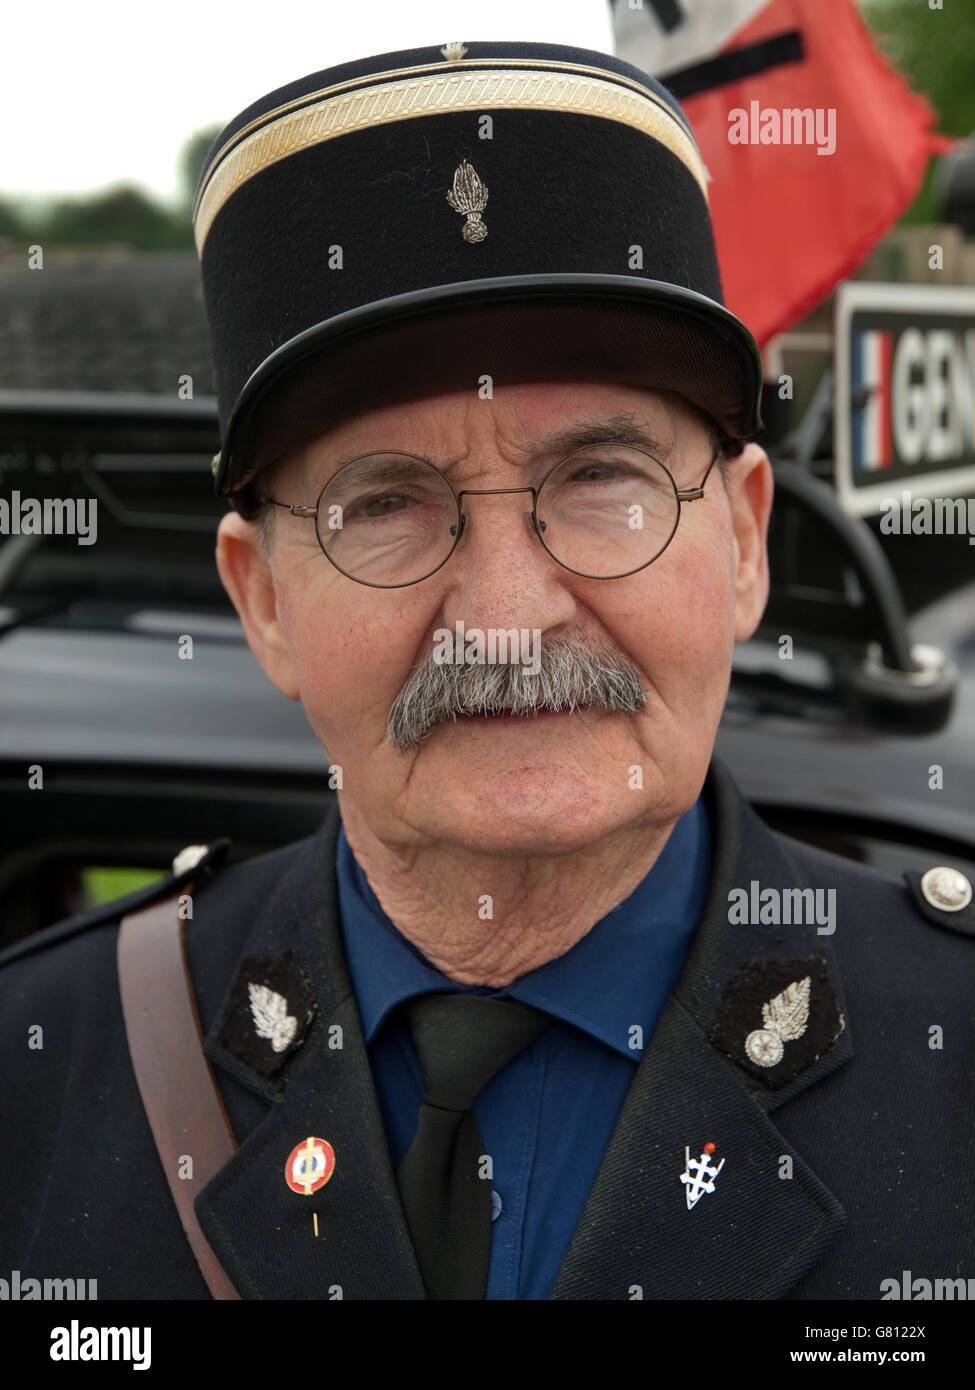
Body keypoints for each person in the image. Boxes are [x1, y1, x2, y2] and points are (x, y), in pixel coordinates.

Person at [1, 39, 971, 1303]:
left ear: (741, 543)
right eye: (389, 501)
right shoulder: (41, 1076)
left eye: (601, 478)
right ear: (264, 600)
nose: (508, 618)